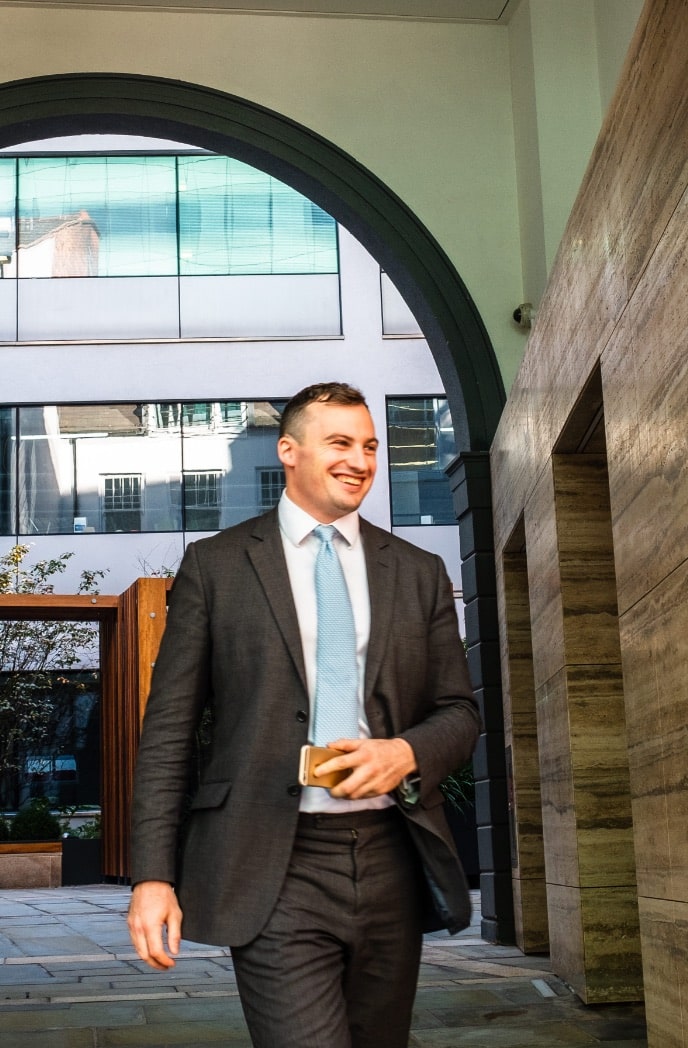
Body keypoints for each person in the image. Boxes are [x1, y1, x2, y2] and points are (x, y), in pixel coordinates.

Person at [127, 381, 479, 1048]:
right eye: (340, 443)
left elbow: (459, 712)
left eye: (370, 446)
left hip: (392, 859)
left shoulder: (419, 570)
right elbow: (169, 732)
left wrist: (405, 753)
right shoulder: (217, 566)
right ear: (289, 451)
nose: (361, 460)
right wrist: (152, 876)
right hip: (271, 861)